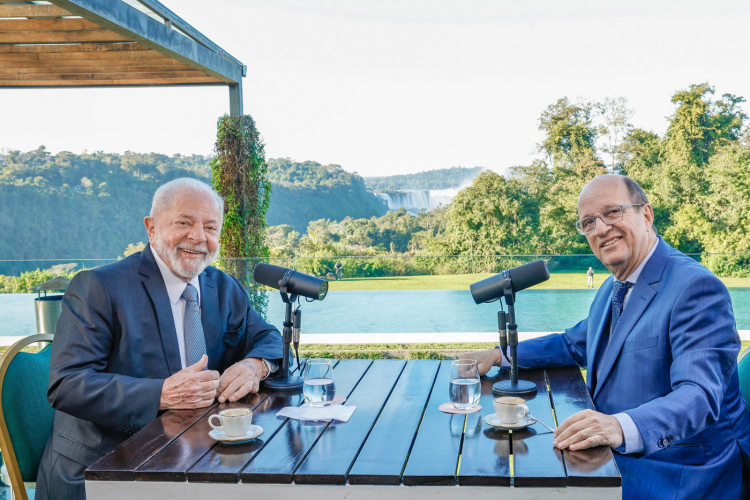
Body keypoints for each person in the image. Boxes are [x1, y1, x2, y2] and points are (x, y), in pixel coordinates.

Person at [462, 174, 750, 500]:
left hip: (677, 472)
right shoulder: (613, 286)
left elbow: (699, 396)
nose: (600, 229)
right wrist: (501, 355)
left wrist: (616, 427)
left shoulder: (695, 288)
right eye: (588, 222)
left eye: (613, 212)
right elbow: (575, 343)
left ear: (646, 214)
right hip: (610, 458)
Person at [36, 178, 283, 500]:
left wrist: (255, 365)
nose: (198, 237)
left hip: (199, 455)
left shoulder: (222, 286)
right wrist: (162, 393)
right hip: (107, 468)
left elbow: (267, 336)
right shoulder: (98, 287)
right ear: (151, 228)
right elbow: (68, 385)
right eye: (184, 222)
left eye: (211, 227)